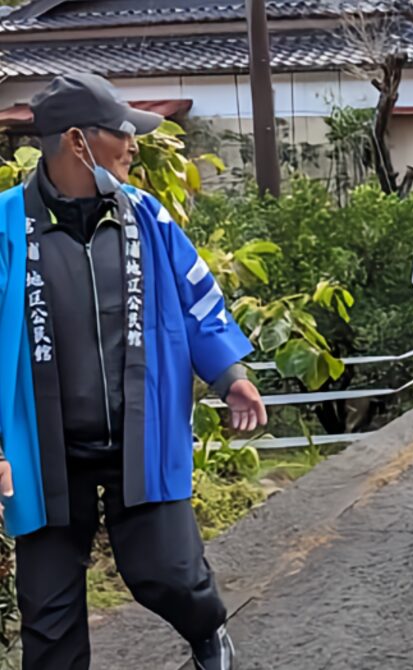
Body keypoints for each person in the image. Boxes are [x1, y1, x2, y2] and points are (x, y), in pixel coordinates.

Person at [0, 74, 267, 670]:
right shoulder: (6, 227)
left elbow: (200, 299)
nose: (132, 144)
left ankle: (207, 630)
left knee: (171, 577)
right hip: (45, 452)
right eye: (121, 132)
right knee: (48, 614)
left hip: (137, 436)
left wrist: (232, 375)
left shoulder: (146, 217)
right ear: (76, 141)